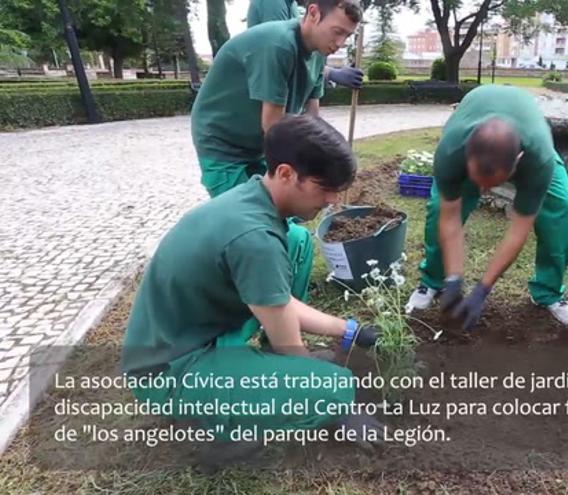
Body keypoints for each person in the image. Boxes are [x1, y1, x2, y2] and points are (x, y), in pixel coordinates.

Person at [123, 115, 380, 462]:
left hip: (191, 333)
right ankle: (226, 431)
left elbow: (276, 300)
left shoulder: (252, 197)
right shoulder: (255, 240)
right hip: (171, 371)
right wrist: (319, 387)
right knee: (333, 388)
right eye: (324, 188)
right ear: (287, 173)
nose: (333, 200)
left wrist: (347, 329)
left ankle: (259, 370)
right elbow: (281, 316)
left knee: (298, 242)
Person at [191, 0, 362, 302]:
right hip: (224, 147)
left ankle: (286, 315)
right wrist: (302, 183)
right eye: (336, 32)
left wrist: (332, 167)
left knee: (292, 230)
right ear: (312, 13)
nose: (339, 43)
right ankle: (249, 302)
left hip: (260, 147)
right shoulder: (278, 45)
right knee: (261, 228)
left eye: (347, 36)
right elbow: (274, 129)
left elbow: (312, 122)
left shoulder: (318, 54)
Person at [406, 85, 568, 329]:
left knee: (561, 205)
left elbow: (519, 229)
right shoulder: (451, 150)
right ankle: (433, 280)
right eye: (479, 183)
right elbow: (449, 217)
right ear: (467, 157)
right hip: (473, 119)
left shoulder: (537, 157)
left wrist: (482, 289)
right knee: (438, 207)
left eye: (494, 184)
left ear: (518, 162)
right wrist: (455, 278)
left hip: (528, 134)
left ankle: (548, 292)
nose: (485, 191)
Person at [246, 0, 364, 90]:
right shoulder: (272, 3)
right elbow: (278, 57)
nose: (340, 43)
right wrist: (330, 73)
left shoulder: (291, 5)